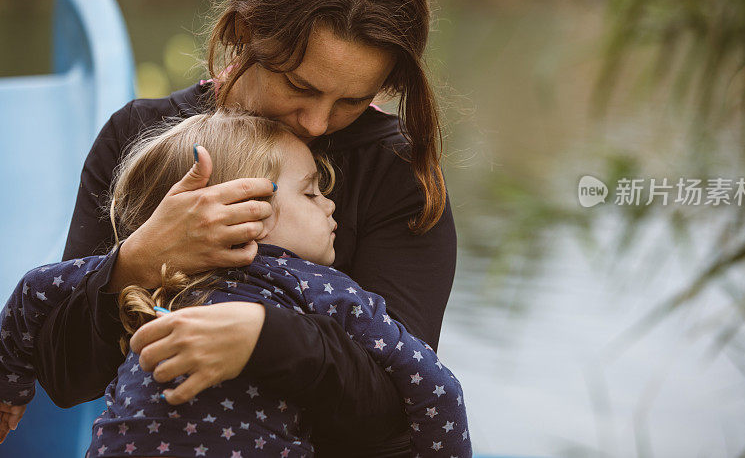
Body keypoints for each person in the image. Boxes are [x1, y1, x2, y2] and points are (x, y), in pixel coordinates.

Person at [32, 0, 457, 455]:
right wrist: (134, 264)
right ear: (244, 30)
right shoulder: (142, 138)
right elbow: (64, 377)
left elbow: (399, 410)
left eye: (353, 100)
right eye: (300, 86)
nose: (319, 123)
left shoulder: (397, 177)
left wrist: (267, 338)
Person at [0, 110, 471, 457]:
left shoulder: (167, 279)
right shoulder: (320, 286)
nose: (330, 205)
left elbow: (32, 292)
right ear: (247, 211)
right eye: (311, 192)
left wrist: (11, 386)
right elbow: (434, 388)